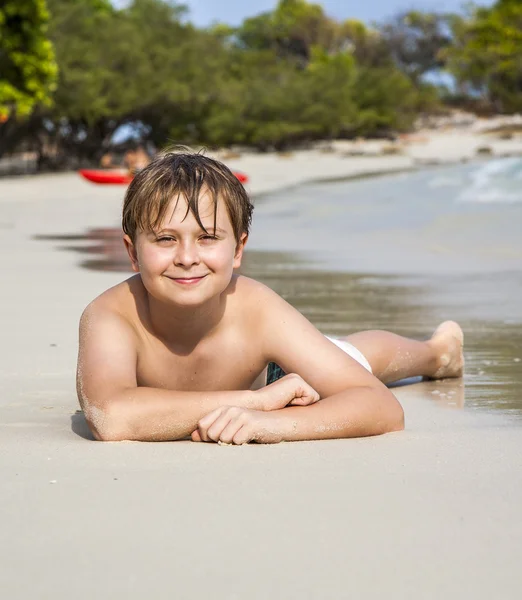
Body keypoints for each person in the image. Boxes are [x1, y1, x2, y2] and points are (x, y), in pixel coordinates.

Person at [76, 152, 464, 444]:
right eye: (165, 239)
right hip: (266, 392)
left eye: (208, 238)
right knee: (343, 354)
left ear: (238, 249)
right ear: (132, 251)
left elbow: (381, 407)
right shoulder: (111, 315)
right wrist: (257, 403)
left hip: (277, 375)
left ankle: (437, 353)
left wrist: (277, 423)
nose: (187, 258)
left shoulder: (255, 309)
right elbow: (110, 416)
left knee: (354, 356)